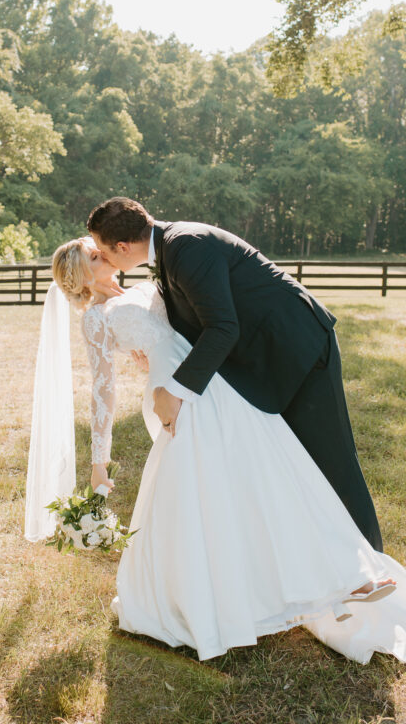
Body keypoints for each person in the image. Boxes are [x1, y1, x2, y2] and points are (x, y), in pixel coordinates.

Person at [31, 233, 406, 664]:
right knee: (208, 490)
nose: (107, 254)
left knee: (270, 474)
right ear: (82, 276)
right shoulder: (95, 319)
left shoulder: (148, 284)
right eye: (94, 256)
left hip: (216, 382)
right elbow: (103, 393)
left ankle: (344, 576)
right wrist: (99, 463)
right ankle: (224, 597)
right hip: (176, 396)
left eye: (101, 248)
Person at [87, 198, 383, 551]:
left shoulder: (185, 246)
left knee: (332, 459)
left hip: (297, 347)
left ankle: (372, 562)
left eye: (104, 252)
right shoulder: (169, 249)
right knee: (295, 463)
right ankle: (330, 560)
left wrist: (174, 391)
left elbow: (222, 327)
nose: (104, 259)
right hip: (265, 356)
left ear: (122, 247)